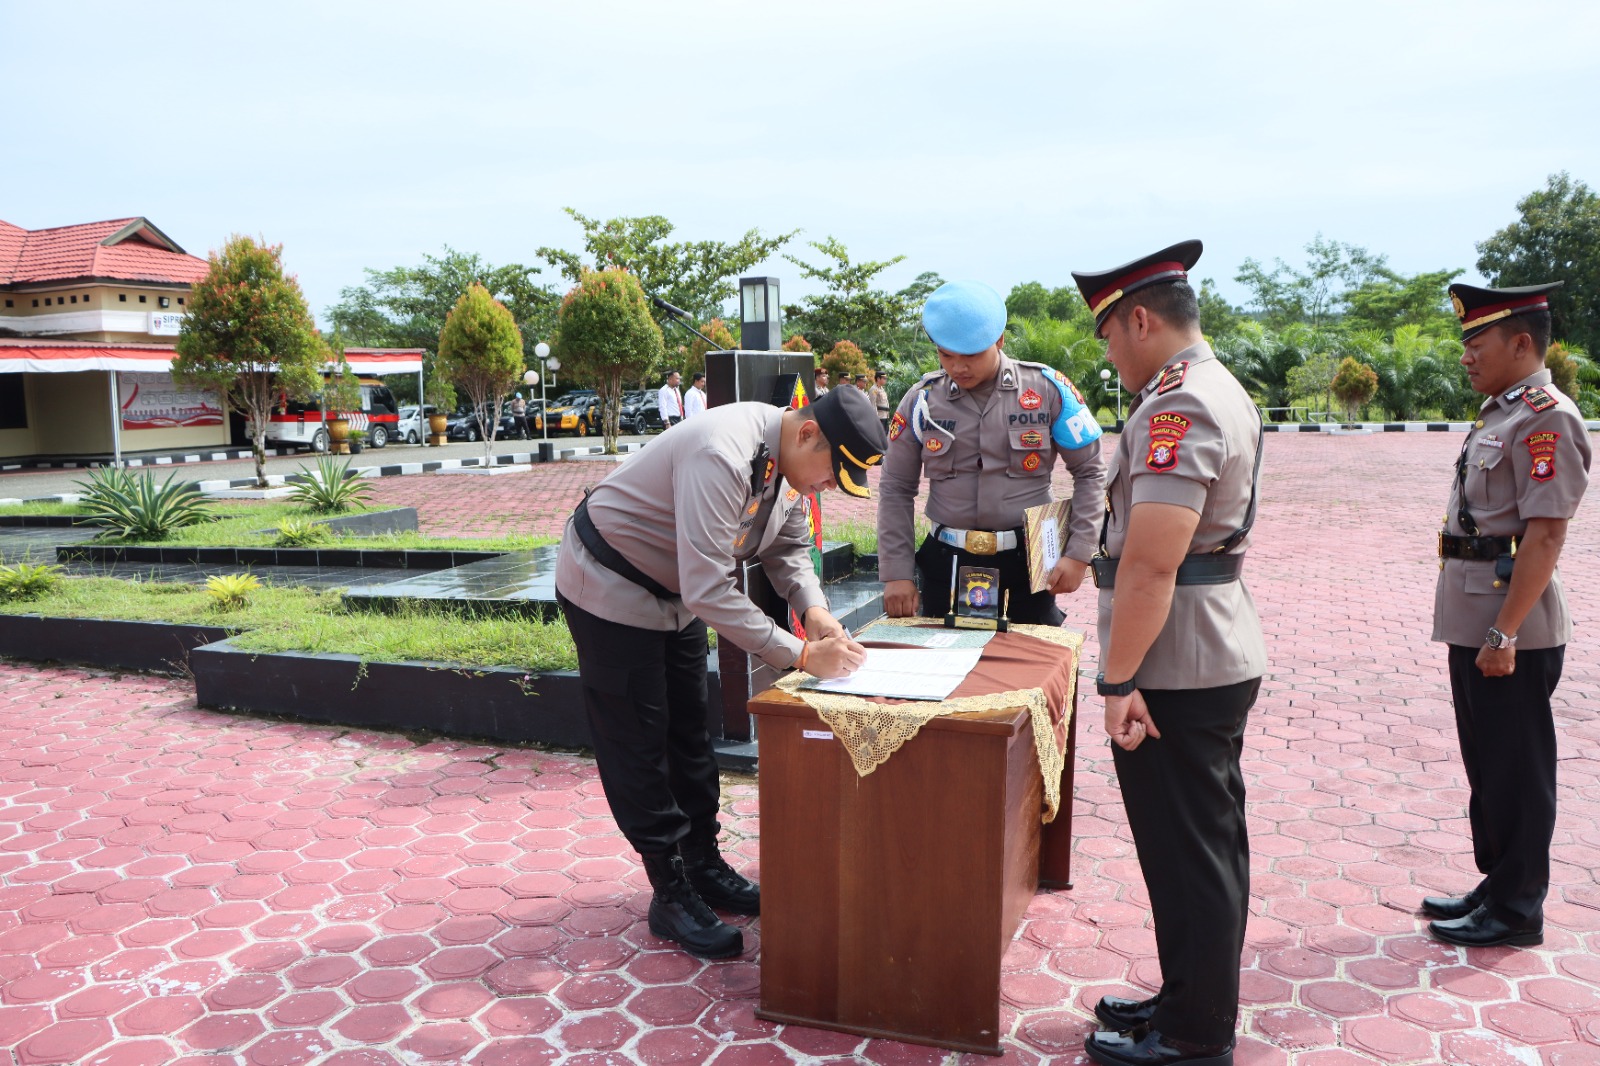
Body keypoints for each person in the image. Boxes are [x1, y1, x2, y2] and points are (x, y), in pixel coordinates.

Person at [554, 387, 886, 959]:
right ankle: (669, 891)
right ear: (807, 434)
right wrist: (802, 656)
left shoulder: (788, 459)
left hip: (676, 593)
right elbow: (711, 586)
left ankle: (704, 865)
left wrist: (815, 612)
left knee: (690, 735)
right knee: (638, 740)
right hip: (610, 584)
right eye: (832, 475)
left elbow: (787, 546)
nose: (828, 487)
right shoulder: (723, 453)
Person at [1072, 241, 1266, 1066]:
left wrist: (1119, 678)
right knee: (1197, 849)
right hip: (1197, 649)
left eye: (1110, 336)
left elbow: (1153, 559)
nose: (1109, 354)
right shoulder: (1208, 390)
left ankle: (1194, 1036)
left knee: (1191, 854)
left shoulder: (1177, 408)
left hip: (1176, 664)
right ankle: (1186, 997)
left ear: (1141, 320)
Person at [1421, 281, 1590, 949]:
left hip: (1510, 629)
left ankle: (1520, 909)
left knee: (1518, 769)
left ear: (1522, 344)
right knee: (1489, 764)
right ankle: (1498, 884)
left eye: (1476, 343)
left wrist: (1505, 632)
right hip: (1477, 619)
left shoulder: (1547, 416)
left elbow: (1546, 536)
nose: (1466, 356)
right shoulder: (1501, 412)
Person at [877, 280, 1105, 626]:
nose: (957, 367)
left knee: (1033, 662)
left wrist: (1079, 553)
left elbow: (1090, 472)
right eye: (946, 355)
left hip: (1029, 561)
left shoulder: (1048, 390)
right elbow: (895, 488)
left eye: (970, 355)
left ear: (999, 341)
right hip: (947, 560)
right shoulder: (922, 400)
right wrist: (897, 573)